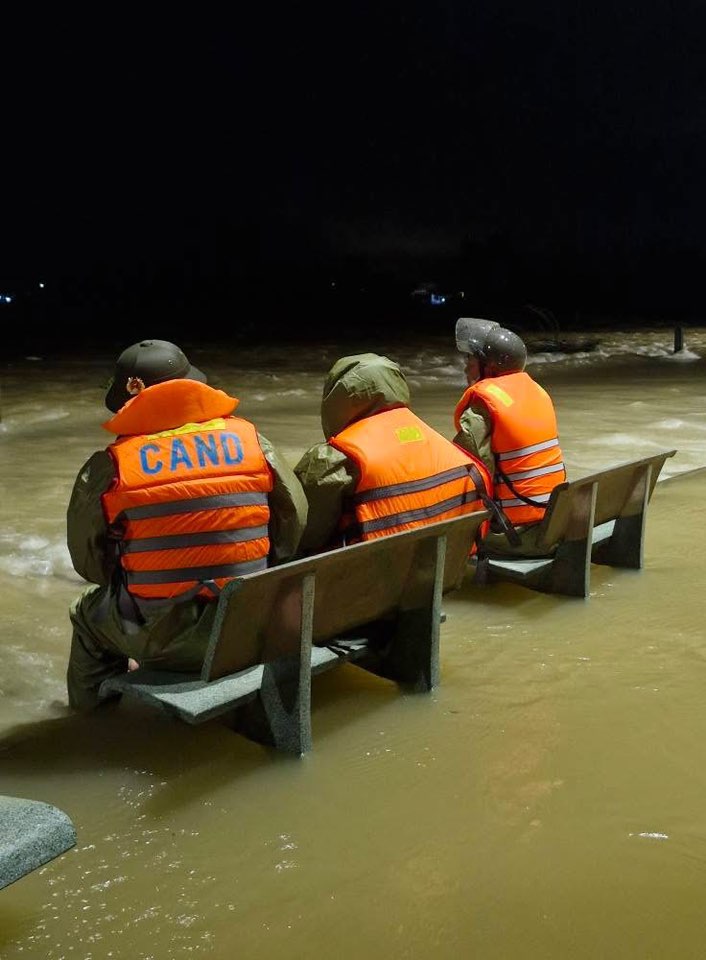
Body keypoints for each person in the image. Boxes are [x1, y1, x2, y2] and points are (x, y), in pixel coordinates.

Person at [66, 339, 308, 711]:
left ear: (129, 400)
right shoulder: (252, 442)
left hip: (166, 640)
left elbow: (91, 566)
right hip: (251, 622)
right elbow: (293, 527)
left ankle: (93, 725)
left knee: (86, 614)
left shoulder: (111, 467)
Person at [293, 352, 492, 555]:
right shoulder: (434, 440)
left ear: (338, 399)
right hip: (443, 567)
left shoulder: (333, 458)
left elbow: (303, 536)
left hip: (373, 578)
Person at [453, 325, 567, 557]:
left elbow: (471, 468)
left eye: (471, 360)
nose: (466, 366)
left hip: (517, 535)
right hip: (554, 522)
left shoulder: (483, 403)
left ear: (490, 366)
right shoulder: (537, 391)